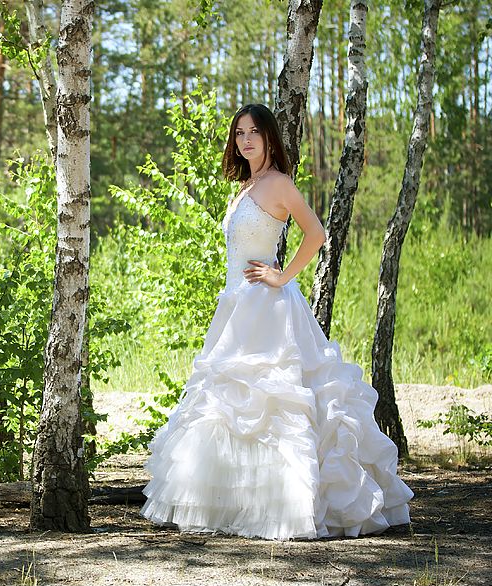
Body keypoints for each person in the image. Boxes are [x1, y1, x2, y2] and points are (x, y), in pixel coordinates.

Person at [139, 103, 414, 541]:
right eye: (239, 133)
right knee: (227, 406)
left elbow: (316, 233)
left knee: (276, 402)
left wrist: (282, 274)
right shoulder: (245, 188)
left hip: (268, 307)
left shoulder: (280, 184)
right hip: (235, 307)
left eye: (254, 132)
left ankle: (290, 507)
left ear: (269, 138)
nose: (245, 140)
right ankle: (233, 506)